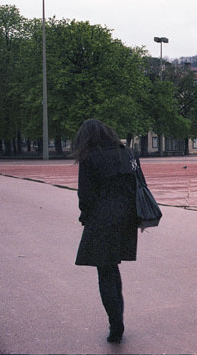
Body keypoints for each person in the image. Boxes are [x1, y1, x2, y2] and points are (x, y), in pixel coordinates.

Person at [72, 119, 140, 344]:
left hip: (102, 219)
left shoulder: (90, 157)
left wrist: (86, 217)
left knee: (105, 271)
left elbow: (85, 195)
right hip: (127, 218)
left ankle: (115, 322)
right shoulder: (128, 153)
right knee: (113, 268)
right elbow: (139, 185)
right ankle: (117, 318)